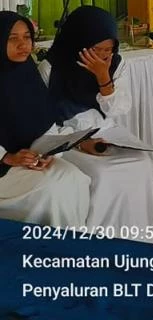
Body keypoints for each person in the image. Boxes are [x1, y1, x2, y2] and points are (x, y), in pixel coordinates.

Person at [41, 6, 153, 239]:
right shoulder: (51, 68)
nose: (102, 56)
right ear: (79, 43)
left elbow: (119, 109)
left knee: (144, 168)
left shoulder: (116, 64)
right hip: (66, 138)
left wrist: (103, 77)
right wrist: (78, 142)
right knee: (103, 176)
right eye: (96, 49)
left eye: (108, 50)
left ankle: (143, 239)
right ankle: (101, 242)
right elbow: (41, 120)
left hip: (107, 132)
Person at [0, 11, 90, 227]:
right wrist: (7, 158)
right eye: (13, 38)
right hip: (4, 166)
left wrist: (47, 152)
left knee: (75, 179)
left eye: (27, 37)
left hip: (29, 160)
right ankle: (47, 251)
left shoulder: (27, 73)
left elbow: (45, 119)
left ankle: (71, 247)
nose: (23, 45)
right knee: (52, 189)